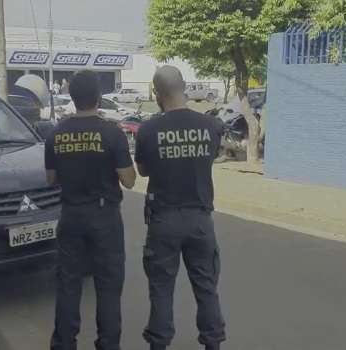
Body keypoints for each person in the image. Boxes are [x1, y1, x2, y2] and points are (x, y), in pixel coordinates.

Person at [135, 66, 226, 350]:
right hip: (200, 220)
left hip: (164, 222)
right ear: (183, 86)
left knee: (161, 290)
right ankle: (213, 343)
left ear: (157, 93)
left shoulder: (149, 129)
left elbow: (143, 170)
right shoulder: (211, 126)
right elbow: (209, 158)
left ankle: (159, 345)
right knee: (206, 287)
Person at [45, 70, 136, 350]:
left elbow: (51, 180)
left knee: (68, 284)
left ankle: (63, 344)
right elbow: (129, 180)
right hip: (104, 217)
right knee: (108, 287)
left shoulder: (56, 134)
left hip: (71, 215)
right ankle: (108, 345)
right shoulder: (112, 133)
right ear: (98, 97)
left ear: (72, 97)